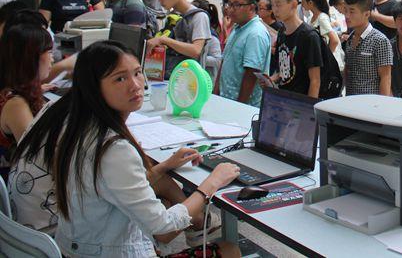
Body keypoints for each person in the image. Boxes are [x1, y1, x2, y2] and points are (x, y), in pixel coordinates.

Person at [9, 40, 240, 256]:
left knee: (165, 189)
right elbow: (163, 229)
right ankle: (200, 226)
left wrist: (166, 165)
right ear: (94, 88)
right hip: (100, 249)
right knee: (229, 250)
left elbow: (109, 184)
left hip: (76, 245)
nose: (136, 85)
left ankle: (198, 226)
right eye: (120, 79)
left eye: (137, 73)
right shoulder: (113, 149)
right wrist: (211, 184)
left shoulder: (77, 126)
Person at [0, 24, 52, 180]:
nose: (52, 58)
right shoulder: (16, 105)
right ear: (31, 58)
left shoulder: (17, 92)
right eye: (49, 52)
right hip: (21, 184)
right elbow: (39, 158)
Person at [146, 0, 211, 77]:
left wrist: (164, 40)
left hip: (192, 80)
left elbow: (196, 50)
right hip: (174, 78)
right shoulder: (172, 16)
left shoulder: (199, 17)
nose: (160, 1)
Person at [216, 0, 270, 105]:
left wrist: (239, 106)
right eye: (229, 4)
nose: (230, 9)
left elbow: (251, 74)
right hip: (226, 101)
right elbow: (224, 63)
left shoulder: (256, 33)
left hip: (243, 107)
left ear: (251, 8)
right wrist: (215, 95)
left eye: (236, 5)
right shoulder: (237, 28)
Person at [269, 0, 323, 98]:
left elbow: (315, 81)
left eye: (278, 5)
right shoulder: (281, 32)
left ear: (293, 4)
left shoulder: (309, 36)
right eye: (272, 5)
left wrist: (308, 107)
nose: (275, 10)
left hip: (300, 102)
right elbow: (283, 71)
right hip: (283, 99)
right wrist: (270, 79)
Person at [342, 0, 392, 95]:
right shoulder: (350, 39)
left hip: (371, 101)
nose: (347, 16)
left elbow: (386, 78)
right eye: (345, 10)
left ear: (366, 14)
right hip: (350, 100)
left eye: (352, 11)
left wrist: (383, 103)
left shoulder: (379, 40)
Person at [301, 0, 343, 69]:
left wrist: (326, 59)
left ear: (310, 3)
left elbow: (334, 40)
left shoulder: (322, 18)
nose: (302, 4)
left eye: (303, 1)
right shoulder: (310, 19)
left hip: (328, 65)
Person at [191, 0, 223, 78]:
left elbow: (218, 60)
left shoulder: (212, 38)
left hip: (207, 79)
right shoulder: (192, 34)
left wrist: (198, 57)